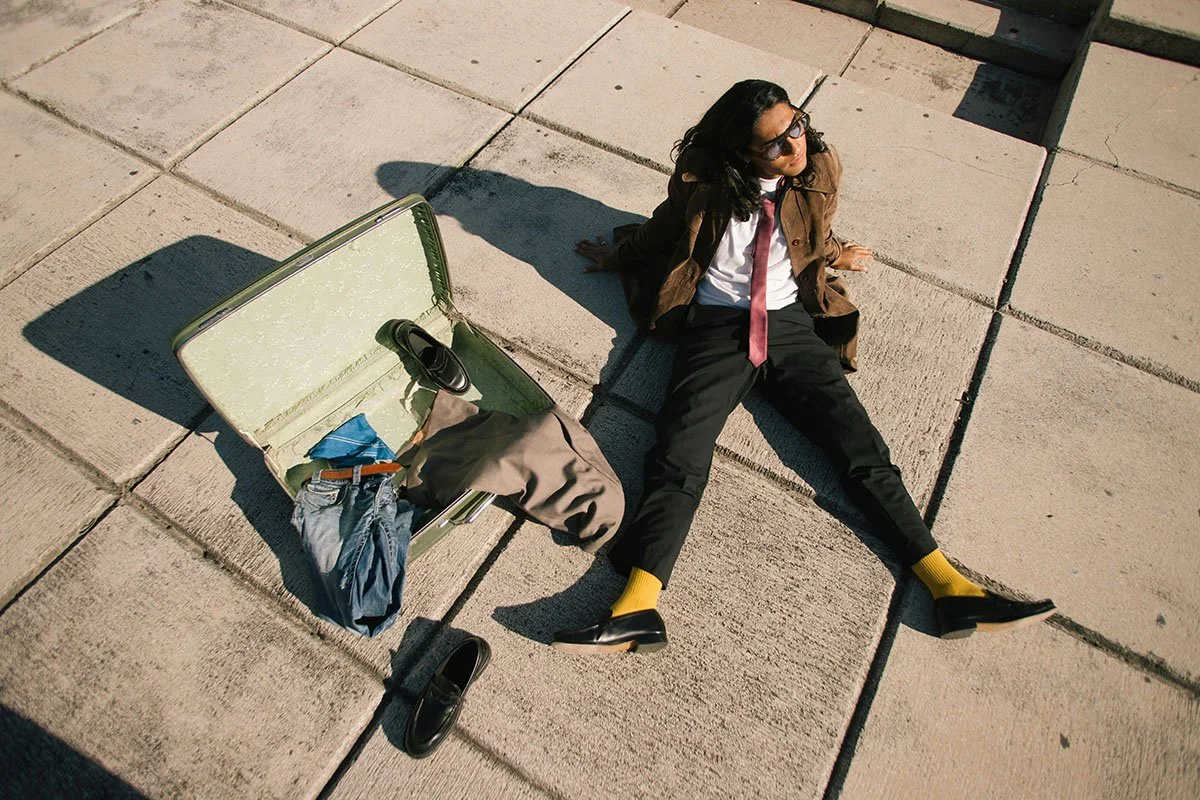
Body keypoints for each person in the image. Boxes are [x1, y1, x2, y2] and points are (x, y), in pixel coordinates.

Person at [552, 79, 1055, 654]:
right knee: (677, 453)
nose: (797, 145)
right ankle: (638, 606)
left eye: (798, 124)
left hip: (789, 322)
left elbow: (813, 223)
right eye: (777, 142)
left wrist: (832, 251)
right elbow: (667, 230)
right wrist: (618, 254)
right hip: (717, 329)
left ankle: (951, 588)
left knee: (860, 447)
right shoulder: (706, 182)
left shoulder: (816, 166)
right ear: (743, 153)